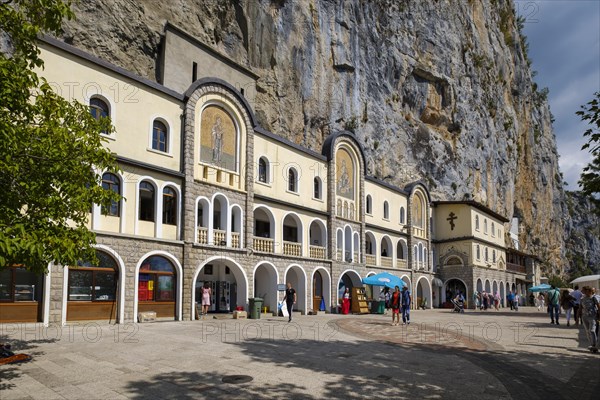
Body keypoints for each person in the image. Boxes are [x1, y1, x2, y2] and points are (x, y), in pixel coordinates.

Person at [577, 286, 599, 353]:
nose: (582, 291)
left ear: (588, 291)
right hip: (584, 317)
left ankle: (594, 345)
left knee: (592, 330)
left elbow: (599, 306)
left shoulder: (593, 298)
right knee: (587, 331)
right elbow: (580, 308)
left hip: (593, 316)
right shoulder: (582, 299)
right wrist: (577, 318)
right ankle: (592, 345)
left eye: (583, 290)